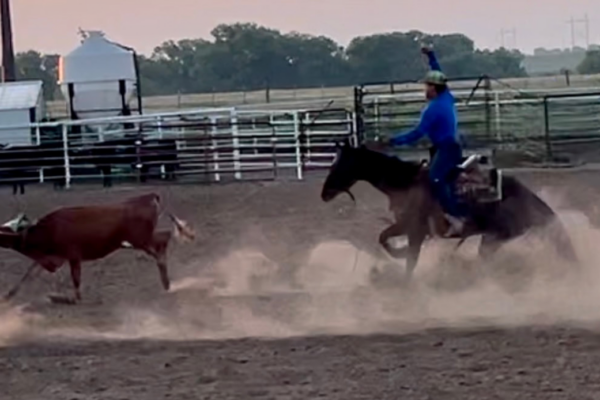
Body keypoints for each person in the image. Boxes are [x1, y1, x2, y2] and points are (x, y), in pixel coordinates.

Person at [387, 45, 466, 237]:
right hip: (447, 147)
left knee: (435, 178)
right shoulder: (446, 97)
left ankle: (456, 218)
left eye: (428, 86)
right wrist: (431, 56)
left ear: (434, 88)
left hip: (447, 149)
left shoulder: (433, 110)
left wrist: (394, 141)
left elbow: (417, 133)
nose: (425, 88)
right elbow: (438, 72)